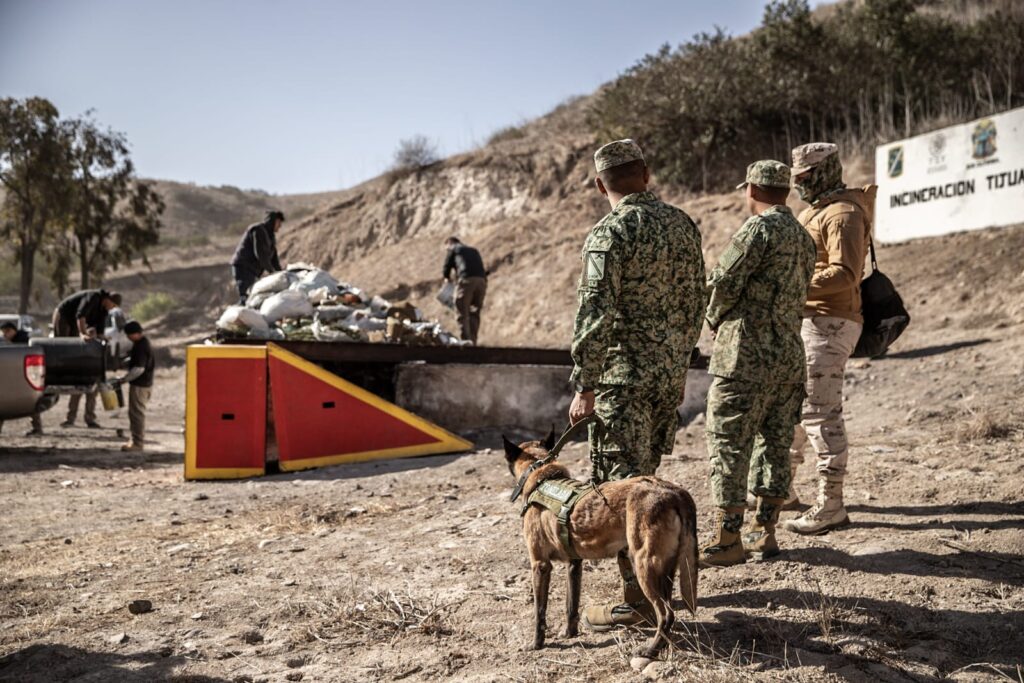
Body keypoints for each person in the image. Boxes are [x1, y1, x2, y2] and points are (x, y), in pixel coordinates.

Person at [568, 139, 706, 630]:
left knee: (625, 492)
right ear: (646, 174)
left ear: (600, 184)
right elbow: (697, 301)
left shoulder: (610, 232)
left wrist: (585, 383)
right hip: (665, 377)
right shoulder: (682, 225)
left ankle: (640, 601)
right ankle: (662, 579)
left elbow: (594, 315)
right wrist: (679, 364)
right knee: (646, 481)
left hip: (622, 383)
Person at [699, 161, 816, 567]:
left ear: (751, 189)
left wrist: (713, 319)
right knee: (775, 445)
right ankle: (762, 534)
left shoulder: (757, 229)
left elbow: (722, 282)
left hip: (744, 356)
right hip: (787, 358)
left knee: (729, 444)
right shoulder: (803, 237)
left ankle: (727, 539)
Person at [783, 142, 873, 535]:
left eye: (805, 177)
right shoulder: (816, 210)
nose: (799, 185)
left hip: (830, 322)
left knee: (820, 413)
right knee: (795, 407)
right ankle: (782, 490)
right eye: (796, 178)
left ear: (823, 171)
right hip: (812, 320)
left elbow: (845, 273)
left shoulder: (843, 213)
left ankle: (831, 504)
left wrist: (790, 285)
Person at [52, 289, 122, 428]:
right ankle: (70, 418)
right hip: (65, 316)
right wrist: (83, 333)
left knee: (92, 393)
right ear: (108, 299)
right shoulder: (93, 297)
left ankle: (89, 418)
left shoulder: (97, 343)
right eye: (112, 305)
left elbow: (101, 323)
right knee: (65, 344)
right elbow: (80, 314)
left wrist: (101, 336)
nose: (112, 308)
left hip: (91, 376)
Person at [110, 320, 154, 452]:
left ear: (134, 333)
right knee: (135, 413)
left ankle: (137, 443)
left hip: (140, 385)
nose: (128, 338)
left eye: (129, 335)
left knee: (137, 414)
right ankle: (135, 440)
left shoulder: (141, 346)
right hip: (143, 384)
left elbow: (139, 369)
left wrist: (124, 379)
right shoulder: (141, 343)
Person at [231, 210, 285, 304]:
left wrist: (281, 273)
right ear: (272, 221)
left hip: (252, 271)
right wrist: (272, 272)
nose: (280, 226)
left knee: (251, 296)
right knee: (246, 296)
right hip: (244, 267)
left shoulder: (270, 237)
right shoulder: (258, 230)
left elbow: (274, 259)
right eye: (278, 222)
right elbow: (261, 255)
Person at [0, 321, 43, 436]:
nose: (4, 336)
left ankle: (37, 428)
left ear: (11, 331)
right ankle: (37, 428)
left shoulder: (21, 341)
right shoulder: (18, 339)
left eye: (5, 333)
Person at [442, 237, 487, 344]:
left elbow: (446, 267)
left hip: (466, 281)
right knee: (474, 312)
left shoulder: (453, 249)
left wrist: (446, 278)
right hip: (481, 282)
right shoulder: (473, 250)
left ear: (449, 243)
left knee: (462, 311)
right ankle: (473, 340)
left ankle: (466, 343)